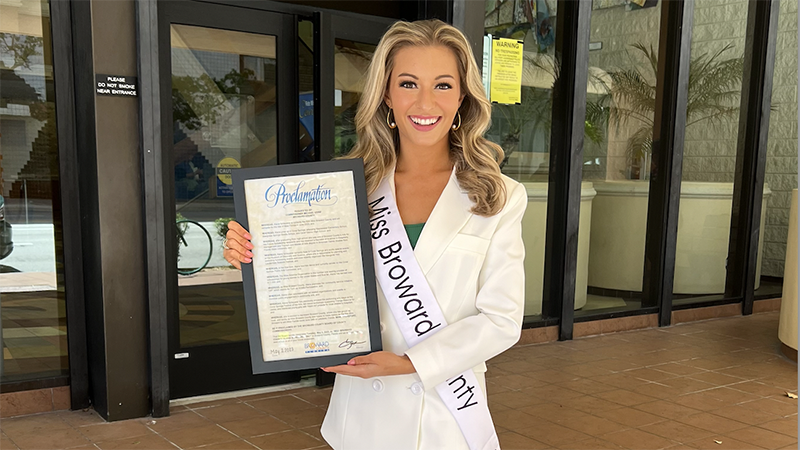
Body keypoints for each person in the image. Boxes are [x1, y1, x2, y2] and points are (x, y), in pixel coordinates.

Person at [224, 19, 526, 450]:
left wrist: (408, 365)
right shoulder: (344, 188)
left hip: (444, 415)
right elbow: (308, 282)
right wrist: (256, 255)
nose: (425, 102)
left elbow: (501, 320)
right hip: (362, 415)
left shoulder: (498, 196)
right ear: (386, 94)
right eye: (408, 83)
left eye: (442, 85)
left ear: (462, 97)